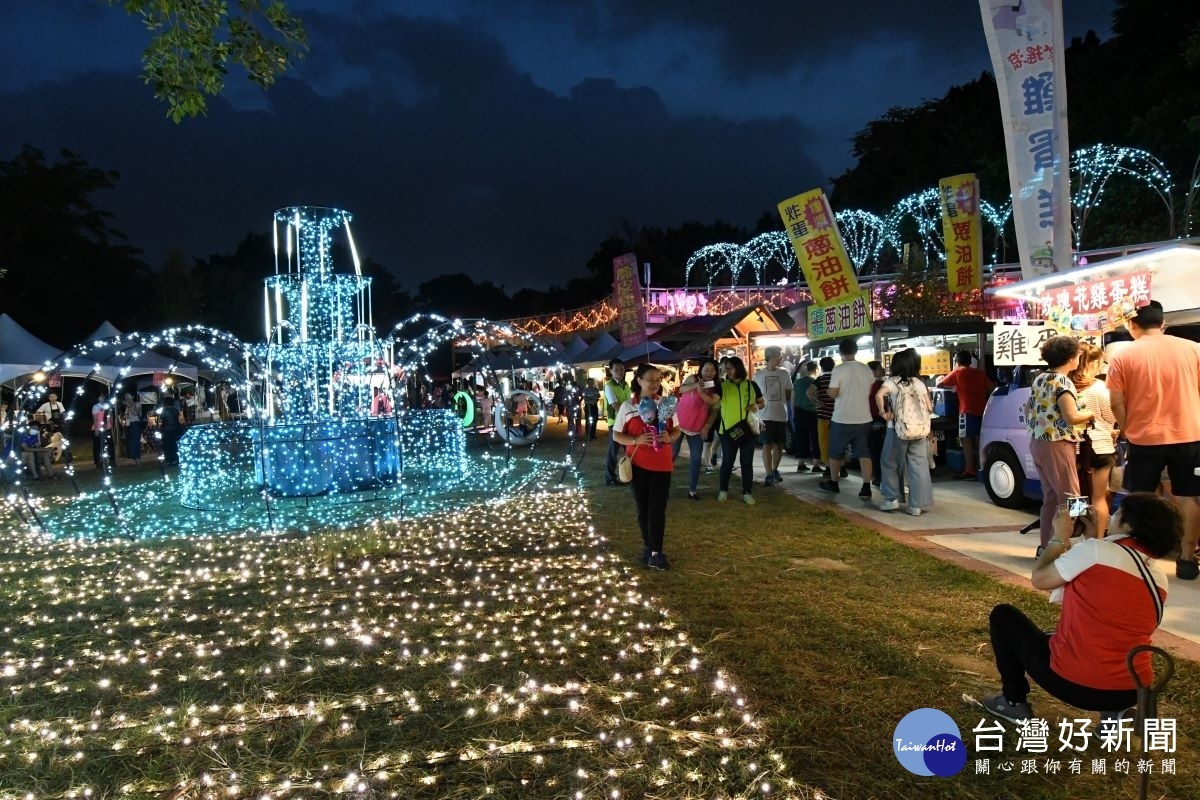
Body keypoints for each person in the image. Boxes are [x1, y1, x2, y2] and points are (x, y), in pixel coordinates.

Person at [982, 493, 1179, 724]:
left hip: (1075, 685)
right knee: (1107, 639)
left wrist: (1059, 536)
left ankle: (1013, 702)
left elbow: (1040, 579)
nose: (1112, 516)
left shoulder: (1095, 551)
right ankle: (1114, 716)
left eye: (1117, 512)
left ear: (1127, 525)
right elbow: (1110, 610)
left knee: (1004, 617)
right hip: (1131, 691)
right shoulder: (1158, 578)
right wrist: (1094, 537)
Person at [1106, 300, 1200, 580]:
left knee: (1141, 499)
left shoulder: (1123, 356)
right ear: (1163, 323)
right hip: (1190, 436)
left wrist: (1127, 429)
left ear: (1131, 325)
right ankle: (1186, 559)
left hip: (1144, 437)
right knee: (1188, 497)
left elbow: (1116, 403)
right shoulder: (1193, 349)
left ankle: (1141, 556)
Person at [1025, 336, 1094, 554]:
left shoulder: (1040, 379)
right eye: (1077, 354)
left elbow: (1028, 409)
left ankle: (1046, 547)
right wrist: (1090, 413)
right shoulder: (1063, 382)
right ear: (1070, 358)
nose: (1079, 357)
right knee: (1073, 497)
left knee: (1051, 498)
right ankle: (1066, 545)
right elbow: (1071, 416)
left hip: (1038, 442)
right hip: (1058, 444)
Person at [612, 364, 681, 570]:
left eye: (658, 379)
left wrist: (670, 436)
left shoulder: (666, 404)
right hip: (638, 465)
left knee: (657, 509)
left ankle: (656, 552)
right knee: (643, 509)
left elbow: (677, 430)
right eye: (650, 379)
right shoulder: (628, 406)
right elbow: (616, 434)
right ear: (639, 380)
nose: (655, 383)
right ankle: (649, 547)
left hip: (662, 465)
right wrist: (636, 440)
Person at [876, 348, 934, 516]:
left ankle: (891, 499)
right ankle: (916, 505)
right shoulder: (919, 383)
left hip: (897, 430)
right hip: (919, 431)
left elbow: (879, 395)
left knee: (890, 463)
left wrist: (884, 414)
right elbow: (929, 407)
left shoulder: (891, 382)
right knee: (918, 467)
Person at [1070, 343, 1118, 537]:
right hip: (1099, 447)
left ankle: (1077, 533)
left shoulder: (1065, 385)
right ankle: (1096, 540)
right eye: (1099, 361)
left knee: (1077, 495)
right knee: (1098, 497)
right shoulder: (1099, 388)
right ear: (1091, 362)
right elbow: (1112, 416)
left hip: (1073, 448)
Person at [820, 338, 876, 498]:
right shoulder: (866, 369)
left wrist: (829, 393)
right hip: (863, 417)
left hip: (842, 418)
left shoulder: (839, 369)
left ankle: (834, 483)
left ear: (840, 352)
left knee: (836, 452)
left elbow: (834, 392)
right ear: (855, 350)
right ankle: (866, 487)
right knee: (864, 453)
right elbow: (869, 390)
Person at [937, 350, 995, 479]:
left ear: (957, 361)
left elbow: (940, 384)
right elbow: (991, 388)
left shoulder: (958, 372)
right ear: (970, 361)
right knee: (979, 440)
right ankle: (982, 468)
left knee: (966, 440)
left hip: (966, 411)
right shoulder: (980, 373)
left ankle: (970, 470)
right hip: (982, 411)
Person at [716, 356, 764, 504]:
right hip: (727, 431)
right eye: (726, 368)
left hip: (748, 430)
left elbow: (762, 403)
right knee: (727, 462)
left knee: (746, 462)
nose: (727, 371)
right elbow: (713, 401)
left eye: (730, 368)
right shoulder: (722, 386)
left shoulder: (751, 385)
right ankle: (723, 490)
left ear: (738, 368)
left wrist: (756, 407)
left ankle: (747, 492)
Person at [676, 358, 722, 500]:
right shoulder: (692, 378)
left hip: (697, 427)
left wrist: (707, 426)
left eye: (713, 370)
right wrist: (696, 385)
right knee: (671, 454)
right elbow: (681, 390)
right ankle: (661, 486)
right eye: (706, 369)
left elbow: (713, 405)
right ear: (700, 370)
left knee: (696, 458)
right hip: (679, 423)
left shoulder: (718, 387)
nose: (709, 373)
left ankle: (692, 490)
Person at [754, 346, 792, 486]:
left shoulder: (784, 373)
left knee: (778, 446)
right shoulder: (758, 375)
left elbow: (788, 392)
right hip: (765, 415)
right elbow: (755, 397)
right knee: (766, 445)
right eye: (778, 355)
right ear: (769, 357)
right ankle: (769, 473)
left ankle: (775, 469)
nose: (780, 358)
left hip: (781, 414)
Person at [603, 360, 632, 486]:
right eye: (616, 370)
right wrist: (631, 412)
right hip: (615, 422)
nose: (620, 372)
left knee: (631, 449)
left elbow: (629, 402)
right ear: (611, 371)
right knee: (613, 452)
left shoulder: (626, 384)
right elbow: (615, 406)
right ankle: (610, 478)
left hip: (627, 421)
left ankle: (630, 475)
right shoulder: (609, 385)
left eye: (621, 369)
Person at [792, 360, 821, 473]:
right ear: (816, 369)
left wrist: (794, 413)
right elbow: (817, 398)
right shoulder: (816, 382)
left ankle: (801, 463)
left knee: (801, 438)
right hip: (812, 413)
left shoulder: (798, 382)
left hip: (799, 412)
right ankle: (816, 465)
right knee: (815, 438)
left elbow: (793, 399)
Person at [814, 356, 837, 476]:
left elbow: (809, 392)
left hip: (823, 416)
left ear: (821, 367)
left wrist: (816, 401)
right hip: (838, 417)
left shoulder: (820, 380)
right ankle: (841, 468)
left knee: (825, 443)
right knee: (838, 442)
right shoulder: (837, 379)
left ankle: (828, 468)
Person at [866, 360, 887, 488]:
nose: (882, 370)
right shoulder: (880, 384)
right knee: (880, 450)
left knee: (875, 450)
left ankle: (877, 476)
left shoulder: (865, 384)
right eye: (880, 368)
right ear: (873, 371)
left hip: (870, 418)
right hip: (879, 418)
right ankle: (880, 477)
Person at [91, 392, 115, 471]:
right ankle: (98, 462)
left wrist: (111, 424)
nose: (102, 398)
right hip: (99, 428)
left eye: (103, 396)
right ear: (98, 398)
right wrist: (97, 429)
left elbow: (111, 415)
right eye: (100, 396)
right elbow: (95, 419)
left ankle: (112, 461)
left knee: (110, 445)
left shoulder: (108, 405)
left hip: (107, 428)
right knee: (98, 446)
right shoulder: (96, 406)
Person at [121, 391, 143, 465]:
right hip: (129, 426)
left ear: (133, 397)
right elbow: (127, 418)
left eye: (128, 396)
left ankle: (138, 462)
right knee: (130, 443)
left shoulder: (138, 404)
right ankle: (136, 461)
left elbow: (135, 413)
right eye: (125, 397)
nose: (126, 398)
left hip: (135, 425)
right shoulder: (127, 406)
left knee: (135, 443)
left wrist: (129, 405)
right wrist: (125, 429)